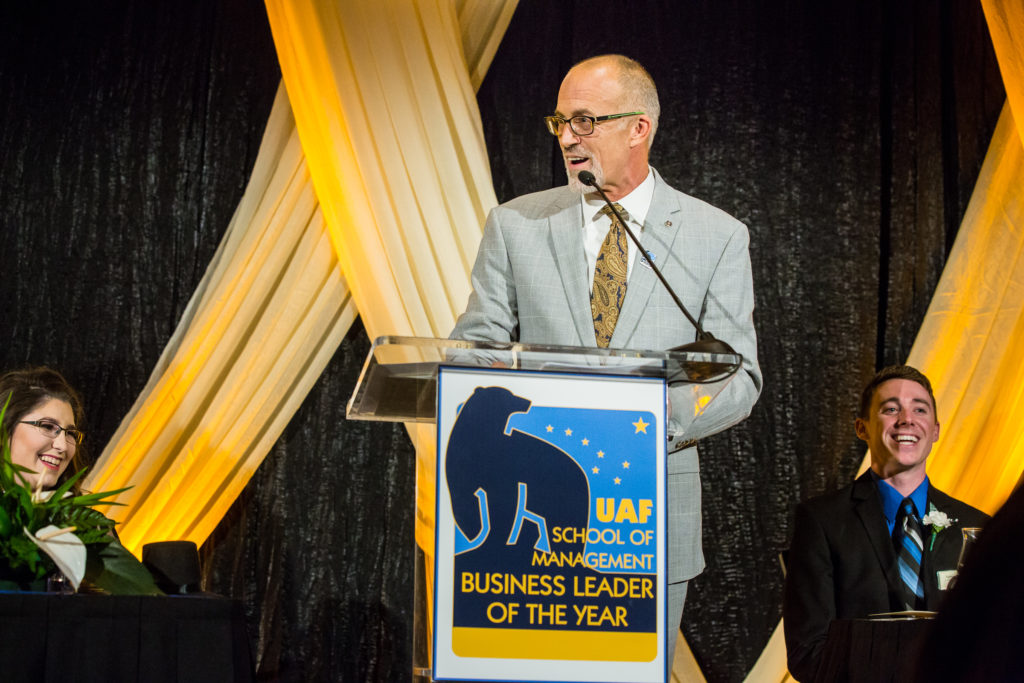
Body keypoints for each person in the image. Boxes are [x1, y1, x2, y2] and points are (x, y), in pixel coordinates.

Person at [451, 54, 762, 651]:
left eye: (586, 121)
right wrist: (473, 376)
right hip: (528, 513)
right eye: (560, 122)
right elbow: (476, 345)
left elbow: (738, 376)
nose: (568, 138)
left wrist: (646, 425)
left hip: (647, 513)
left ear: (638, 128)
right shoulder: (516, 224)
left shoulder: (716, 235)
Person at [782, 365, 990, 682]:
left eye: (919, 409)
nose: (906, 419)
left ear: (935, 430)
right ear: (861, 428)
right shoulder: (822, 521)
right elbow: (807, 653)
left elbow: (995, 638)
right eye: (891, 409)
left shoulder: (976, 526)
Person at [1, 366, 87, 494]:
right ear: (5, 430)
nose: (62, 446)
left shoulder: (78, 507)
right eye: (47, 426)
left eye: (70, 433)